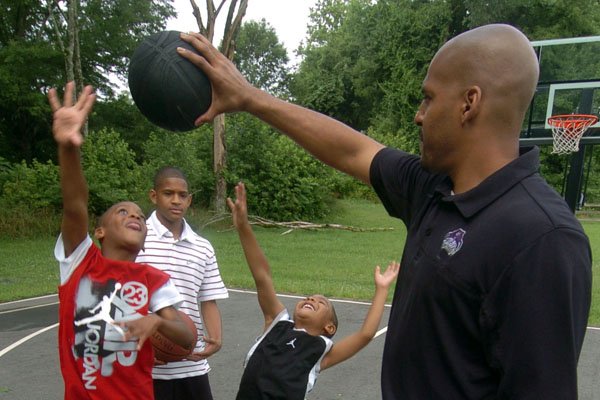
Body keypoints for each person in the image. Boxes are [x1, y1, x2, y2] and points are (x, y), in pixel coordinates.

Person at [177, 24, 592, 399]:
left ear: (470, 103)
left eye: (428, 99)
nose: (419, 114)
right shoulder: (434, 188)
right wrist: (249, 98)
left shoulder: (542, 238)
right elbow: (353, 148)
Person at [49, 82, 196, 400]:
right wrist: (68, 147)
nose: (136, 217)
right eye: (122, 212)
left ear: (145, 241)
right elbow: (75, 204)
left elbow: (186, 337)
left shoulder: (153, 280)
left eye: (140, 217)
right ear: (99, 232)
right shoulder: (80, 263)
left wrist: (155, 321)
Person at [227, 181, 399, 399]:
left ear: (329, 327)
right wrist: (243, 227)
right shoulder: (276, 323)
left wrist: (382, 289)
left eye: (322, 302)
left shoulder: (321, 351)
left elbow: (365, 335)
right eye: (310, 297)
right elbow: (262, 277)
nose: (312, 298)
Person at [136, 166, 229, 400]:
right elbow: (115, 299)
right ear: (153, 196)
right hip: (146, 367)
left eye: (182, 195)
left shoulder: (203, 247)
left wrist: (215, 337)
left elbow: (208, 299)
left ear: (190, 200)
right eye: (168, 193)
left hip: (192, 363)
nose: (176, 201)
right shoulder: (135, 241)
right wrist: (139, 344)